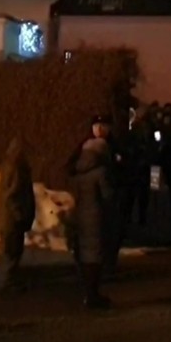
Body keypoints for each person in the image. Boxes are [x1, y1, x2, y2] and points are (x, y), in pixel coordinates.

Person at [68, 121, 115, 309]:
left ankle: (88, 293)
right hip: (96, 218)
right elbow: (107, 196)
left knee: (86, 256)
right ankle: (93, 295)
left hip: (80, 217)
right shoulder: (100, 172)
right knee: (96, 257)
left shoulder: (78, 171)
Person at [0, 137, 36, 298]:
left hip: (7, 218)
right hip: (11, 219)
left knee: (10, 251)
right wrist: (19, 214)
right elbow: (11, 195)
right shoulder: (17, 168)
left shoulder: (7, 166)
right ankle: (6, 284)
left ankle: (8, 282)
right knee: (11, 251)